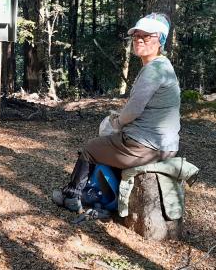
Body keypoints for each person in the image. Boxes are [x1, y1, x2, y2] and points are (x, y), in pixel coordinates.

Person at [52, 13, 180, 212]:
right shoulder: (163, 66)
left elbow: (134, 110)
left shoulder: (153, 70)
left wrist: (117, 122)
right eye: (136, 35)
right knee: (108, 145)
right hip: (164, 144)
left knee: (90, 148)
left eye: (146, 36)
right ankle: (103, 193)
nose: (139, 40)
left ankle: (72, 196)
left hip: (146, 146)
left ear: (160, 40)